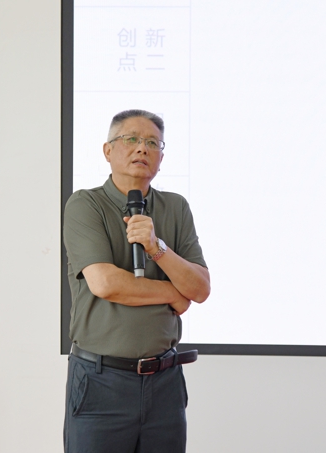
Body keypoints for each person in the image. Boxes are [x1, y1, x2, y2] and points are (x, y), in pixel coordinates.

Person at [62, 109, 211, 453]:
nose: (142, 148)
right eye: (131, 139)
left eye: (152, 143)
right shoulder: (86, 204)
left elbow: (200, 289)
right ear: (107, 150)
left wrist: (156, 247)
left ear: (161, 158)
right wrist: (174, 293)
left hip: (165, 383)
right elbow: (106, 283)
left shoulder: (175, 208)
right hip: (101, 381)